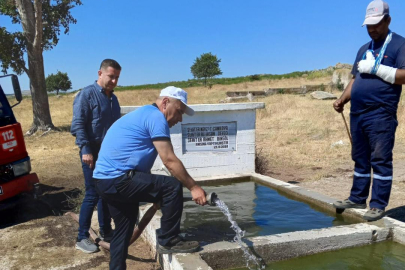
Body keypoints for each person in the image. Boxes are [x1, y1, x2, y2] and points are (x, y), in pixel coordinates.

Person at [93, 86, 207, 270]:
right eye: (179, 111)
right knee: (172, 186)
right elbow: (169, 160)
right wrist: (194, 187)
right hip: (118, 179)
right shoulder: (156, 117)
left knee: (123, 231)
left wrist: (160, 197)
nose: (180, 118)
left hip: (104, 181)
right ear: (165, 102)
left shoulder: (143, 114)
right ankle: (169, 239)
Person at [332, 0, 405, 221]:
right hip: (358, 113)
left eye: (377, 24)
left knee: (380, 159)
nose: (372, 29)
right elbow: (356, 79)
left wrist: (377, 68)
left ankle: (377, 205)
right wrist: (342, 99)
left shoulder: (399, 45)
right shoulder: (364, 49)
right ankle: (357, 197)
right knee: (360, 158)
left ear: (388, 20)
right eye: (369, 25)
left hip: (380, 113)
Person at [71, 59, 122, 253]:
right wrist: (85, 150)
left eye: (117, 77)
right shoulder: (87, 95)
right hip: (91, 151)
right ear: (100, 74)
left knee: (106, 192)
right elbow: (78, 125)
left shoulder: (113, 99)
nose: (114, 81)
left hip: (108, 153)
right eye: (111, 76)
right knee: (92, 193)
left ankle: (106, 231)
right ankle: (81, 237)